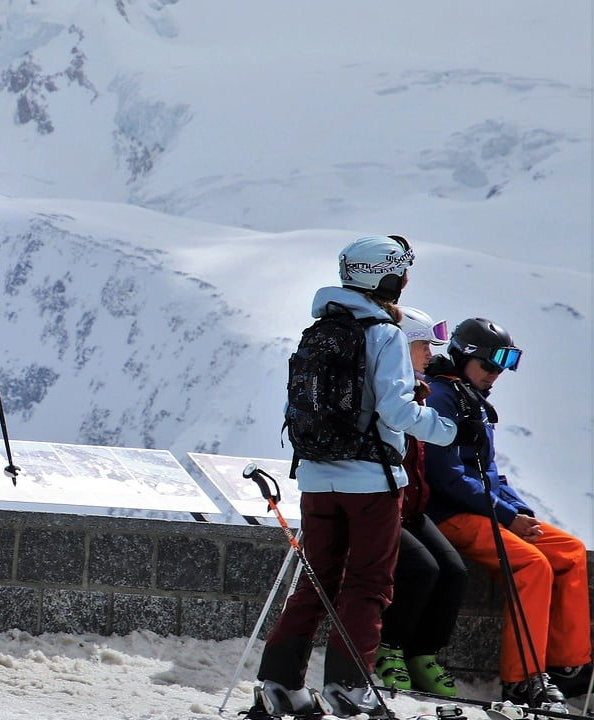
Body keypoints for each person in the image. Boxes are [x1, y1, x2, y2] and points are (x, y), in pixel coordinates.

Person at [252, 235, 458, 719]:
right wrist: (445, 428)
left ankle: (279, 683)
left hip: (316, 479)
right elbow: (393, 408)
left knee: (316, 581)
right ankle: (349, 688)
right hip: (371, 482)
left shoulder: (319, 330)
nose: (406, 280)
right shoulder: (383, 333)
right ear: (387, 277)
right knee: (368, 584)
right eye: (403, 270)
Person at [423, 318, 592, 712]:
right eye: (488, 366)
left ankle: (569, 664)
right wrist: (504, 515)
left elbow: (490, 471)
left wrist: (520, 512)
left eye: (501, 368)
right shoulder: (441, 397)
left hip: (483, 507)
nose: (495, 375)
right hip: (449, 513)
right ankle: (522, 679)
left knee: (569, 551)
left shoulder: (471, 398)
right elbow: (446, 476)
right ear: (464, 358)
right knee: (530, 565)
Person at [373, 306, 466, 697]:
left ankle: (423, 653)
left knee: (454, 571)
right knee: (421, 569)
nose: (430, 354)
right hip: (383, 504)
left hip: (411, 508)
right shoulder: (393, 394)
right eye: (422, 345)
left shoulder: (419, 392)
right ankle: (389, 649)